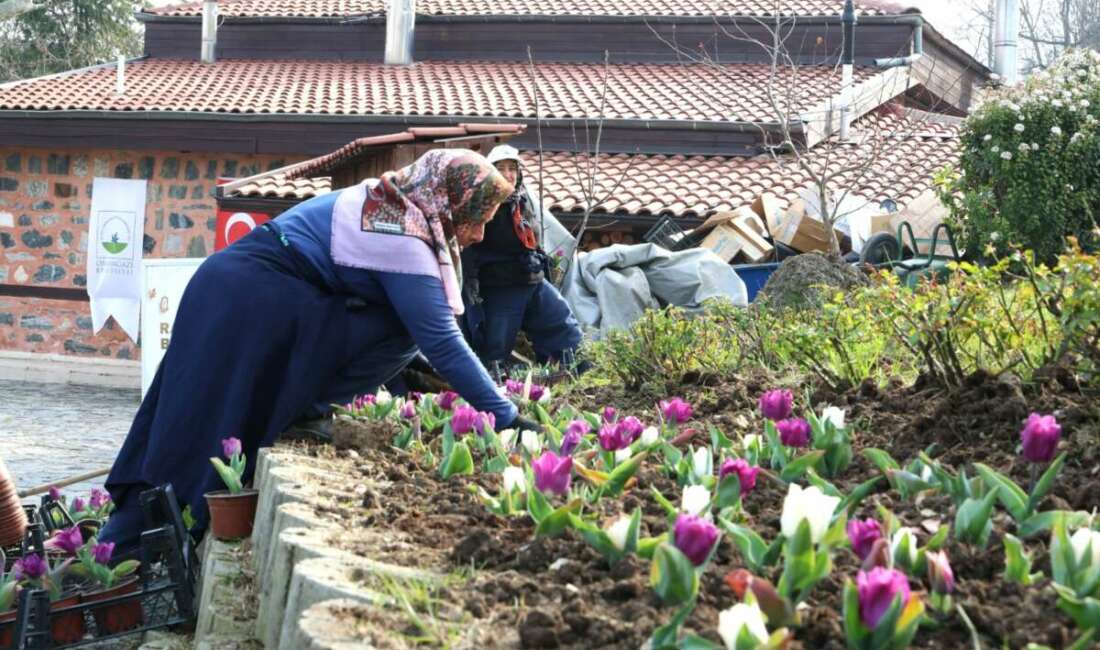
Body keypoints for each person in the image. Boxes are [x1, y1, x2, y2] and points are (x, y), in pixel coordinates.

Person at [98, 149, 541, 553]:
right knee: (197, 428)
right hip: (245, 301)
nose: (480, 235)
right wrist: (506, 418)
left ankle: (123, 547)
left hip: (242, 291)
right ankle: (122, 553)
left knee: (193, 419)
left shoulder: (396, 203)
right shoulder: (400, 235)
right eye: (473, 217)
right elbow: (440, 338)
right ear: (447, 201)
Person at [460, 145, 583, 373]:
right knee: (495, 350)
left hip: (533, 282)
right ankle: (489, 398)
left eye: (512, 169)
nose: (508, 175)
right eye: (501, 169)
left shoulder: (522, 201)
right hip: (501, 288)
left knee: (564, 328)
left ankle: (574, 378)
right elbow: (470, 249)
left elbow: (532, 240)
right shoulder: (482, 205)